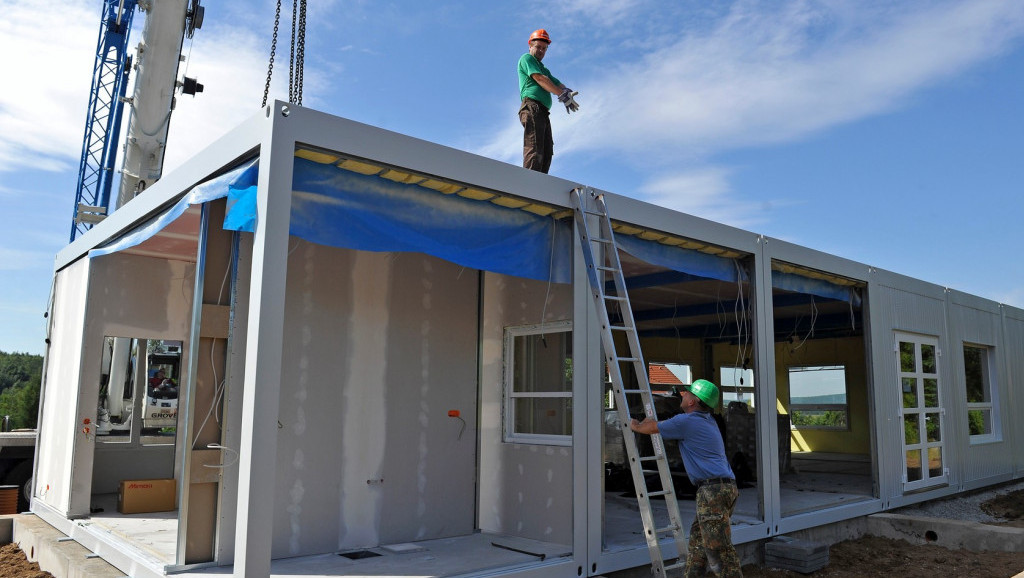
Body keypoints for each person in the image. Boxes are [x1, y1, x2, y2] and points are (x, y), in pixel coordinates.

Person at [629, 379, 742, 578]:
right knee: (699, 544)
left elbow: (651, 429)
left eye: (687, 393)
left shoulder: (687, 422)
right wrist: (652, 423)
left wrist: (636, 425)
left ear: (693, 402)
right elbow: (658, 425)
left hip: (712, 492)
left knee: (718, 550)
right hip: (724, 488)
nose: (683, 395)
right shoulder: (707, 420)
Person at [517, 28, 579, 173]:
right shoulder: (527, 59)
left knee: (546, 151)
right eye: (538, 47)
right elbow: (539, 78)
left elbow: (555, 82)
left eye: (544, 49)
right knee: (535, 147)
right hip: (532, 106)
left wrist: (567, 93)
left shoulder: (543, 68)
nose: (541, 51)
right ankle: (528, 185)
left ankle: (540, 186)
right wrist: (561, 95)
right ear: (530, 46)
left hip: (543, 111)